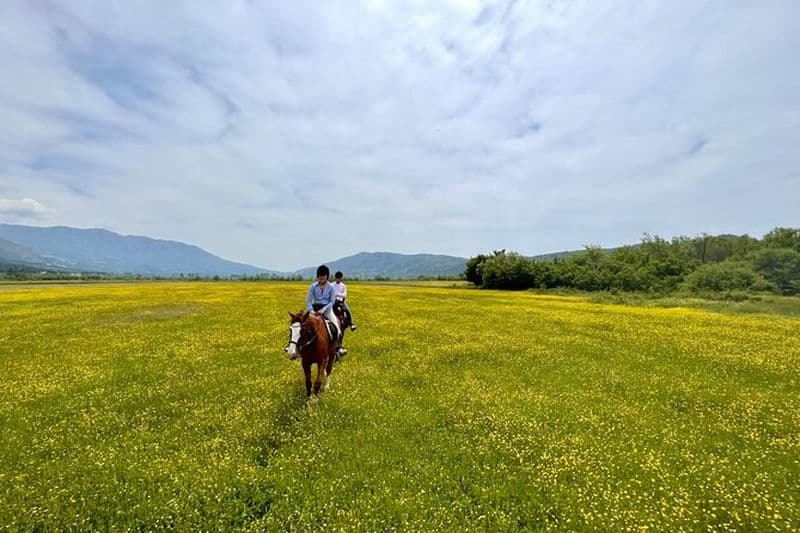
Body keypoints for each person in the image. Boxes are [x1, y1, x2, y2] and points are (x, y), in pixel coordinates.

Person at [305, 264, 342, 353]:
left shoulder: (331, 287)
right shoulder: (313, 286)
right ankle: (298, 348)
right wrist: (312, 311)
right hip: (314, 308)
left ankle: (338, 347)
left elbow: (332, 301)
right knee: (302, 325)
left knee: (336, 326)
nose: (322, 278)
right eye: (320, 276)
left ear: (327, 277)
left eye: (324, 276)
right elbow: (308, 300)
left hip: (327, 309)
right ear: (317, 276)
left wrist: (323, 309)